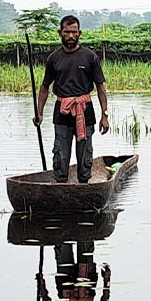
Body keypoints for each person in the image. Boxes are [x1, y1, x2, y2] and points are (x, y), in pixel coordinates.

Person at [33, 15, 110, 184]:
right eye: (66, 32)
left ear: (79, 33)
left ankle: (84, 187)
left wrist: (104, 115)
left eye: (74, 32)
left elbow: (100, 88)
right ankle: (61, 187)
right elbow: (45, 87)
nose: (70, 36)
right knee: (60, 156)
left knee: (85, 157)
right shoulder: (54, 58)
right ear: (59, 33)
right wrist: (39, 113)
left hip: (85, 110)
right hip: (62, 111)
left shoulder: (90, 57)